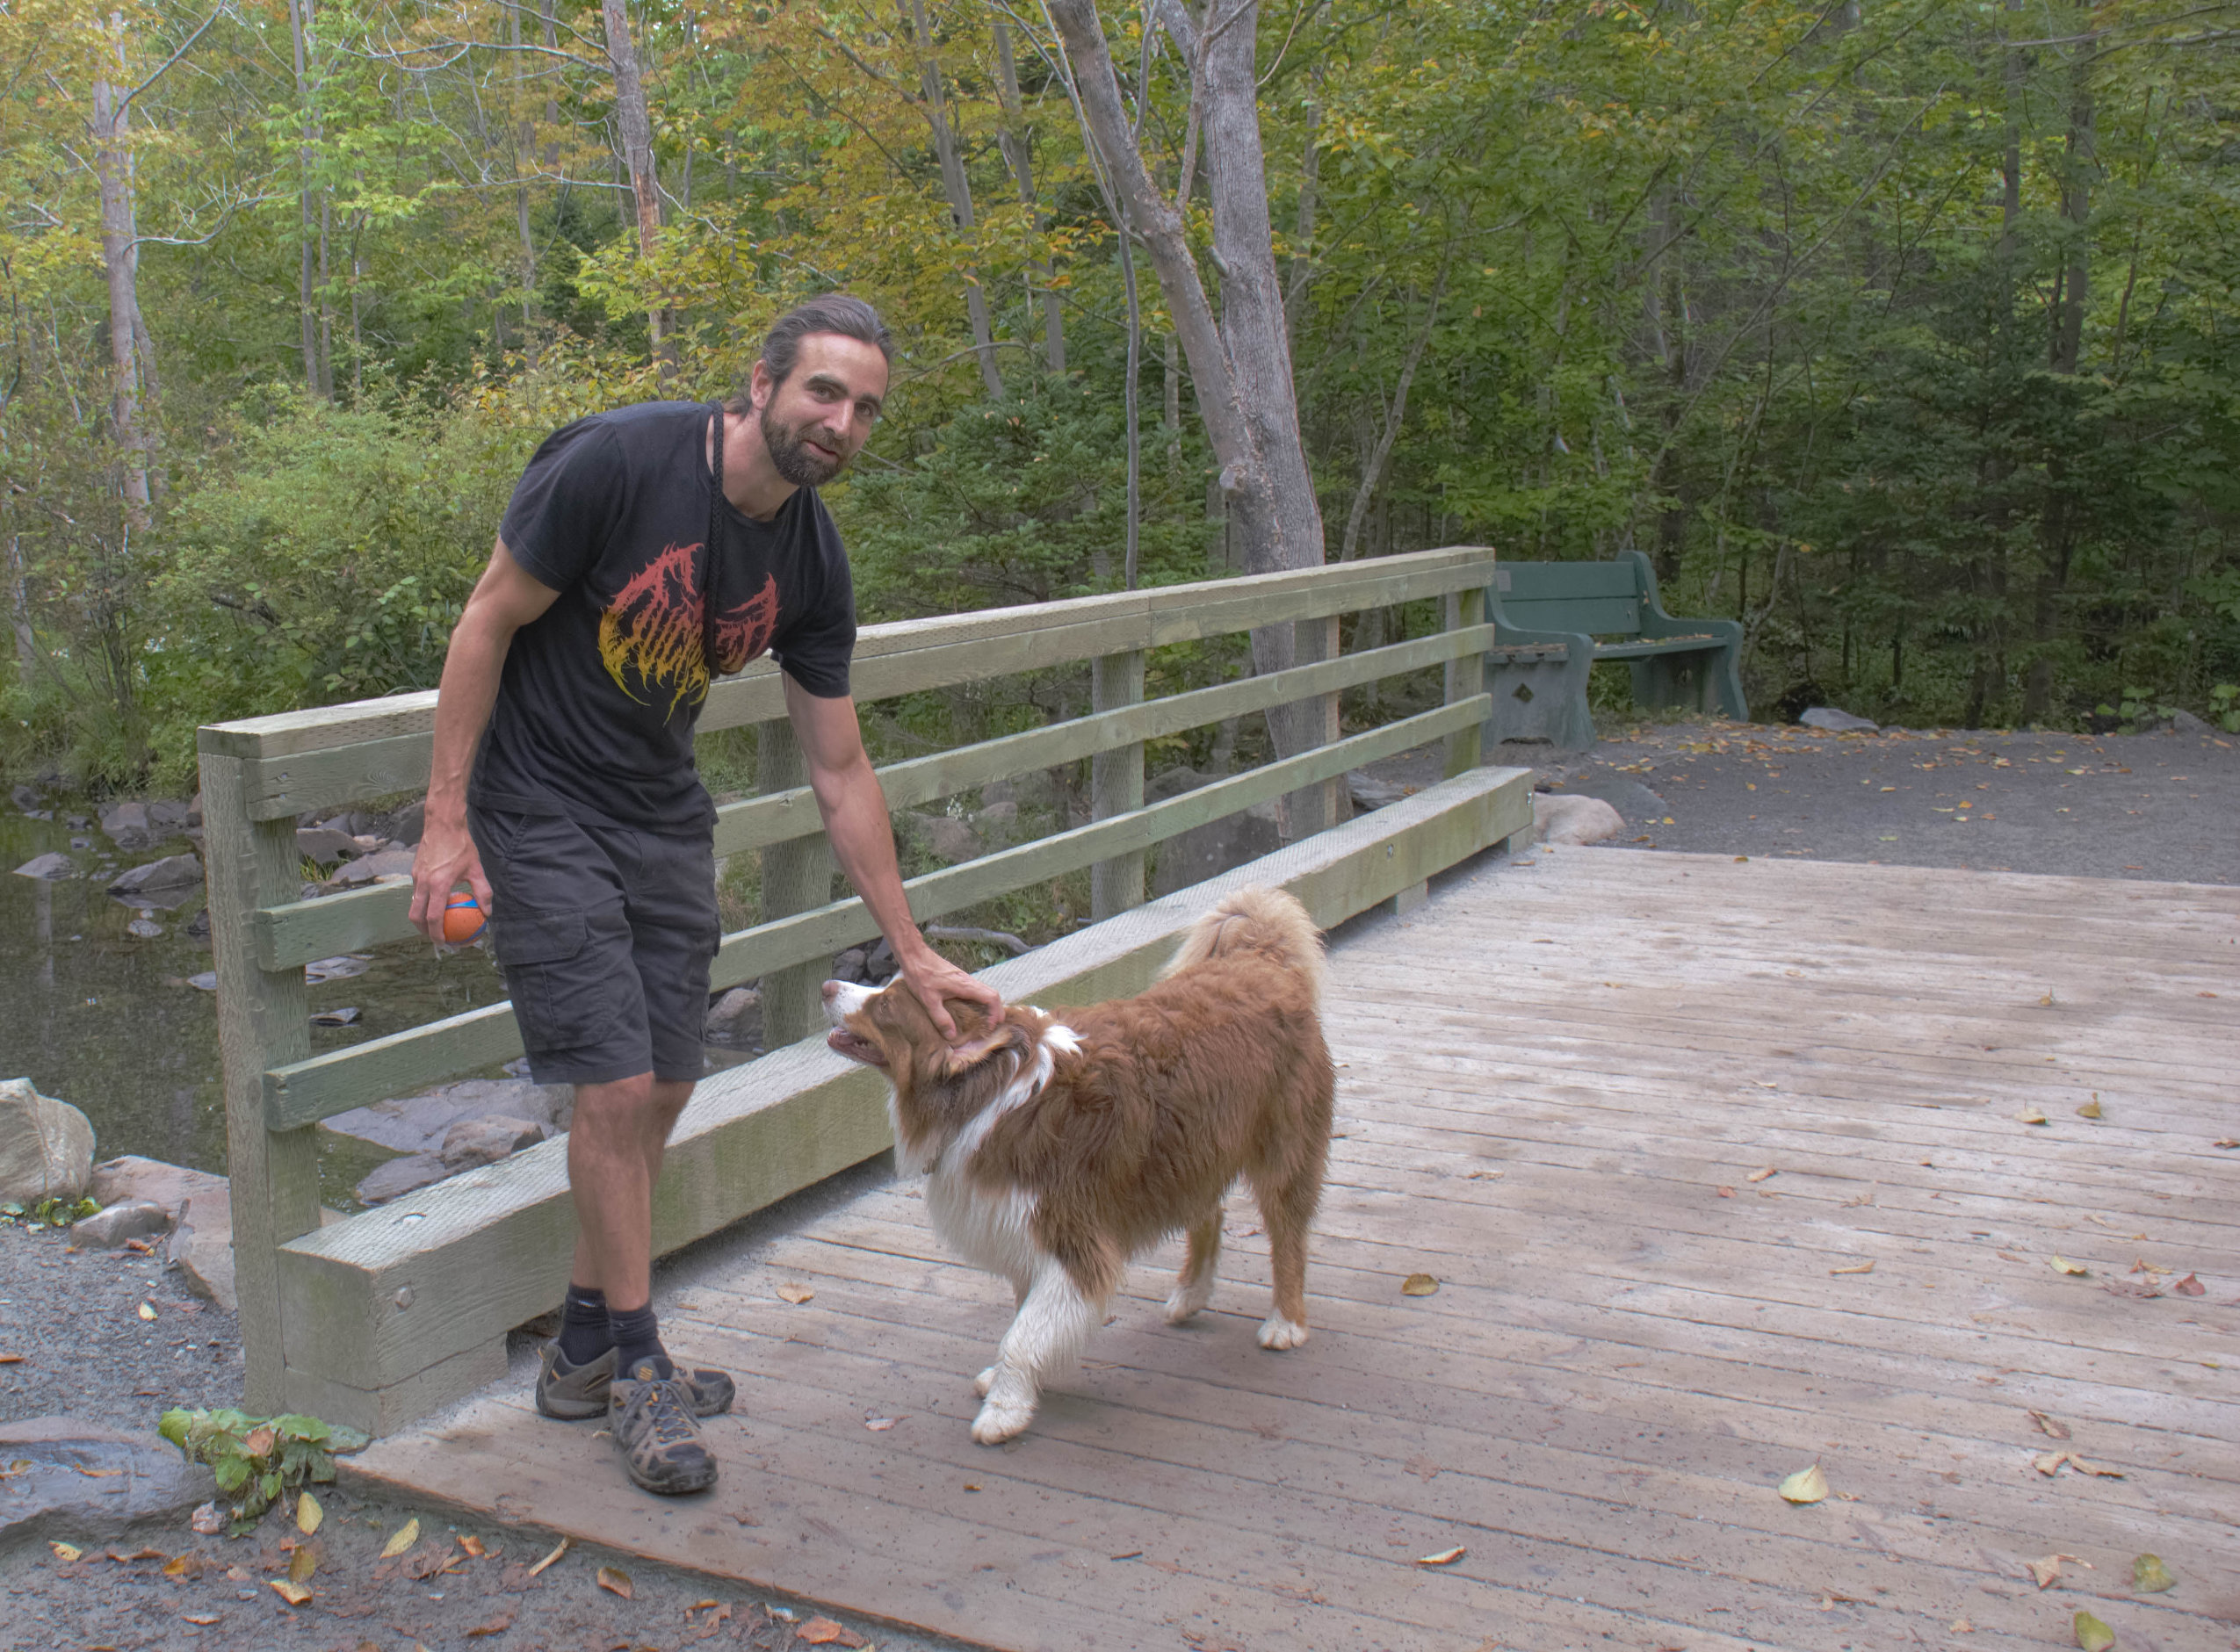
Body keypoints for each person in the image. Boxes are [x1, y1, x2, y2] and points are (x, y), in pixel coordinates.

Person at [407, 294, 1002, 1497]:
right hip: (539, 805)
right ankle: (638, 1365)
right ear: (763, 382)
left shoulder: (810, 557)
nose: (840, 422)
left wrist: (911, 949)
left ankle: (581, 1343)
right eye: (824, 392)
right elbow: (485, 619)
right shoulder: (618, 463)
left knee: (668, 1080)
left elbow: (838, 768)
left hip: (658, 810)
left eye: (865, 408)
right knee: (616, 1085)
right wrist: (444, 823)